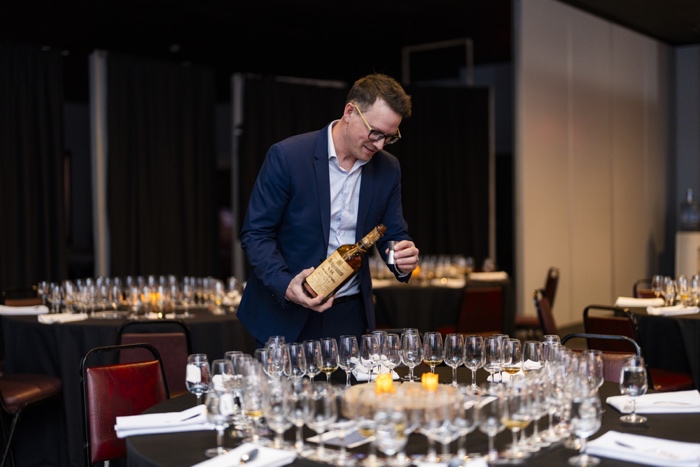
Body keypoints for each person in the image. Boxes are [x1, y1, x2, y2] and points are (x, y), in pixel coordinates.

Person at [237, 73, 420, 347]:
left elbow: (391, 233)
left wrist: (401, 257)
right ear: (350, 112)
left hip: (348, 315)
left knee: (347, 391)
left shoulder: (388, 168)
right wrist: (288, 286)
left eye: (389, 138)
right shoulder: (288, 156)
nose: (380, 144)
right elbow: (256, 235)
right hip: (284, 313)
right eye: (375, 133)